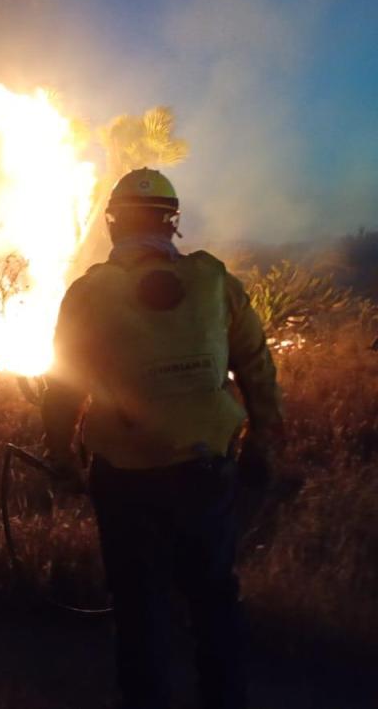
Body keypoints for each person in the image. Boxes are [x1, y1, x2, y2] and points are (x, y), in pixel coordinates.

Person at [41, 169, 283, 709]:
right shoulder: (214, 280)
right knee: (214, 600)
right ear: (172, 223)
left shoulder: (88, 292)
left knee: (138, 607)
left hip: (125, 476)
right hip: (205, 469)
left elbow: (62, 384)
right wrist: (265, 437)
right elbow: (257, 367)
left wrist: (60, 453)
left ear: (112, 223)